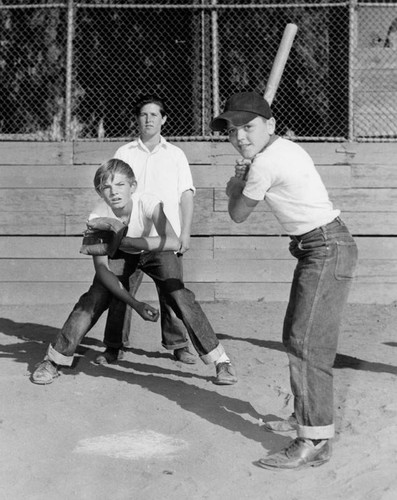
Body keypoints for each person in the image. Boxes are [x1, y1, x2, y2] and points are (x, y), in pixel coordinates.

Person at [210, 91, 357, 469]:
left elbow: (238, 214)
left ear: (270, 125)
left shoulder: (264, 164)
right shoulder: (282, 149)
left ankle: (313, 440)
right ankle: (307, 415)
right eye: (232, 130)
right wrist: (247, 173)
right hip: (319, 246)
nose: (240, 137)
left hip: (324, 247)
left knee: (306, 344)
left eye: (249, 127)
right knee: (296, 335)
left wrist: (235, 186)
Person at [31, 159, 237, 386]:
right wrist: (136, 304)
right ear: (100, 192)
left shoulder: (148, 202)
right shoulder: (98, 218)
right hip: (122, 255)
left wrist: (129, 240)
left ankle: (222, 361)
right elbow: (102, 270)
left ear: (133, 186)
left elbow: (171, 241)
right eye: (106, 187)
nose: (114, 192)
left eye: (120, 185)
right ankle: (53, 360)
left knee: (178, 295)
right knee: (94, 298)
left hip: (155, 249)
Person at [97, 94, 196, 366]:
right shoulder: (124, 153)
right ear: (137, 119)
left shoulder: (176, 154)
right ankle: (113, 346)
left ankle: (177, 344)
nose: (149, 119)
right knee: (121, 290)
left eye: (154, 114)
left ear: (164, 119)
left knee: (172, 291)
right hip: (129, 237)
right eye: (143, 114)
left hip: (163, 240)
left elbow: (186, 195)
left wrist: (184, 234)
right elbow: (112, 191)